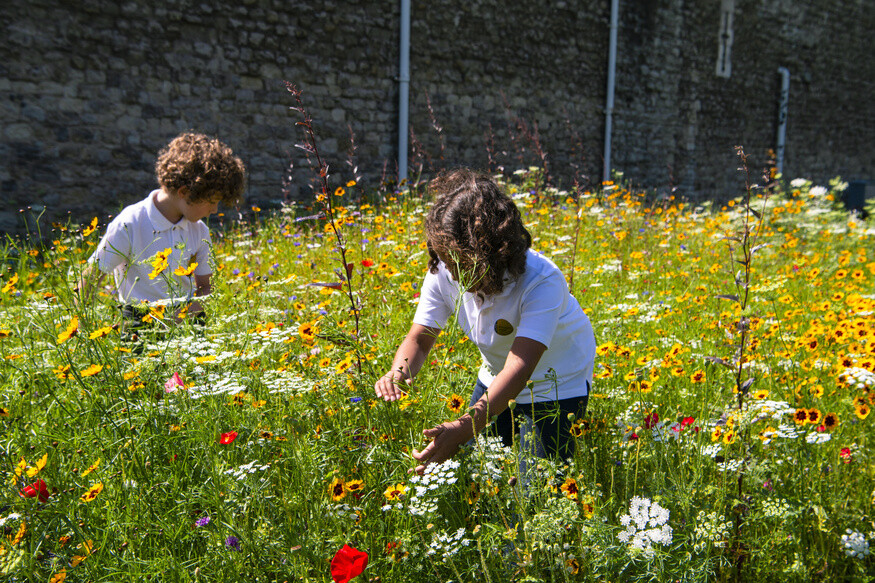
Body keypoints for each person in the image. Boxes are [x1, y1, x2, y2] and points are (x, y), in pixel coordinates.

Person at [375, 169, 596, 474]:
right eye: (445, 260)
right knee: (481, 473)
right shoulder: (444, 267)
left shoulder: (541, 280)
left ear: (492, 254)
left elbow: (520, 369)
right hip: (496, 375)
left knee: (539, 488)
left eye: (460, 264)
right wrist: (397, 375)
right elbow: (420, 339)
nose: (451, 273)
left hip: (555, 383)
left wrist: (465, 426)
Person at [78, 132, 245, 326]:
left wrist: (184, 315)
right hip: (140, 324)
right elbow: (91, 276)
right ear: (184, 192)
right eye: (212, 202)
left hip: (189, 323)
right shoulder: (130, 223)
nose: (214, 210)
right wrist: (82, 333)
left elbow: (206, 287)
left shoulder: (199, 230)